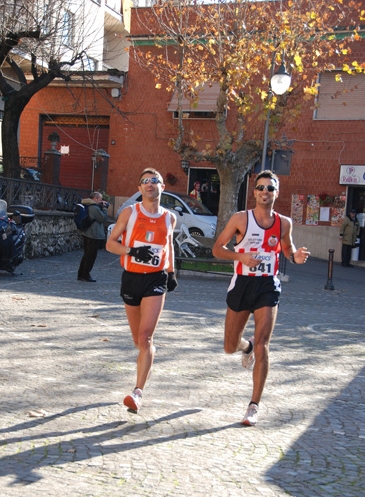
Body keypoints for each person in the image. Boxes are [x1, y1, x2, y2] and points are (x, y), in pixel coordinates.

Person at [212, 170, 310, 426]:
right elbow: (217, 249)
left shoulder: (284, 223)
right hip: (242, 284)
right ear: (254, 192)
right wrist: (240, 257)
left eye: (270, 188)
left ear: (277, 193)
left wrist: (295, 257)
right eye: (261, 188)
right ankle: (246, 347)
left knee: (264, 343)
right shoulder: (240, 219)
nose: (265, 192)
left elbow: (287, 249)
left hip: (268, 285)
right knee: (229, 346)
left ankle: (253, 405)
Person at [106, 168, 178, 413]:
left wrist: (171, 272)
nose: (150, 184)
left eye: (154, 180)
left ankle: (137, 393)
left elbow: (168, 244)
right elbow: (110, 244)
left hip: (155, 280)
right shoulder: (130, 212)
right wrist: (132, 251)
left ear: (162, 187)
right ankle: (146, 362)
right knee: (138, 340)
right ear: (139, 188)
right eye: (145, 181)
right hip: (131, 279)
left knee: (146, 338)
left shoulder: (170, 217)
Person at [77, 192, 109, 282]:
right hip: (93, 234)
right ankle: (85, 275)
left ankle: (81, 274)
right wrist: (105, 208)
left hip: (86, 233)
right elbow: (103, 218)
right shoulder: (94, 208)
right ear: (95, 199)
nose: (101, 201)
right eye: (100, 199)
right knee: (91, 256)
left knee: (86, 254)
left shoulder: (86, 204)